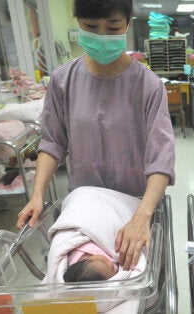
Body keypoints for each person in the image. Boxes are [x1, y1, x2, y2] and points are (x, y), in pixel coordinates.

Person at [16, 0, 175, 272]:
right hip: (86, 204)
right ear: (78, 23)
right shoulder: (63, 81)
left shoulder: (148, 86)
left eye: (113, 27)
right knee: (83, 275)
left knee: (137, 280)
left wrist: (142, 216)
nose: (102, 36)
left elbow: (161, 158)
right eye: (91, 27)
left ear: (127, 24)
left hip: (136, 203)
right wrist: (37, 194)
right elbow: (52, 141)